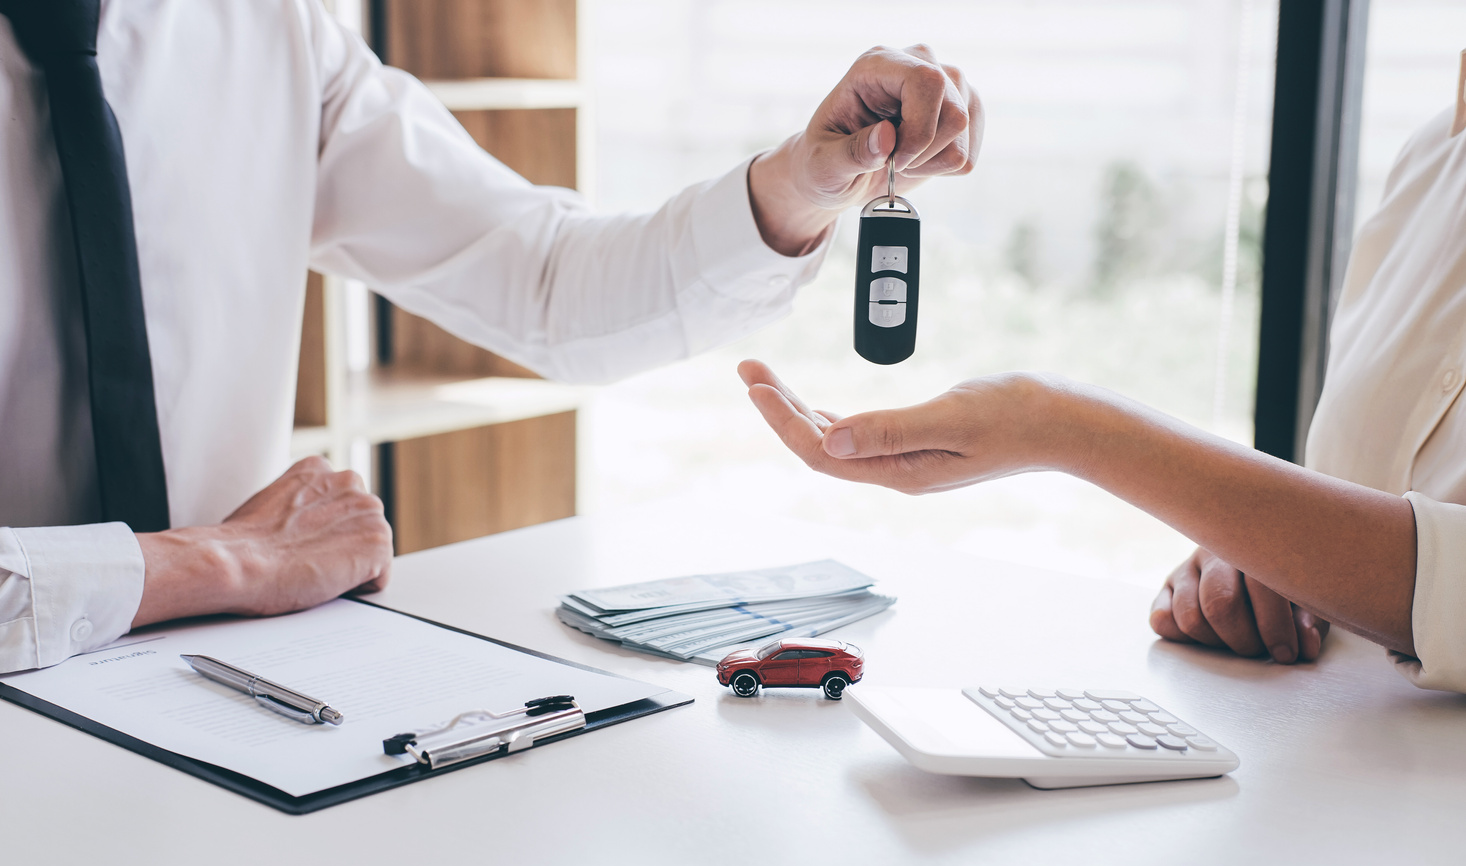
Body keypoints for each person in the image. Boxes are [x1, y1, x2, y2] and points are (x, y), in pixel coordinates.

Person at [0, 1, 982, 673]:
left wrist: (797, 188)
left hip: (219, 696)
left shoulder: (266, 25)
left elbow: (543, 282)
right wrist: (210, 564)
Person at [739, 91, 1466, 695]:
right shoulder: (1435, 153)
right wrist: (1269, 554)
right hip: (1334, 770)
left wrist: (1059, 424)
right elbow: (1373, 508)